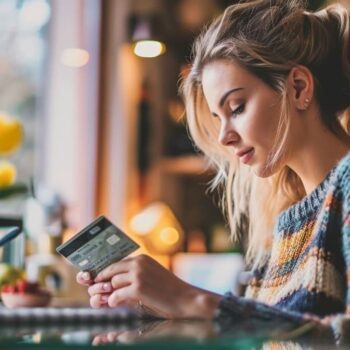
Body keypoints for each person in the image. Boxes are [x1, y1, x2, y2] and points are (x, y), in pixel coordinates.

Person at [77, 0, 350, 341]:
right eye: (217, 118)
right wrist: (163, 315)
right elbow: (268, 337)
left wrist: (189, 298)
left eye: (236, 108)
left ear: (298, 87)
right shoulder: (288, 224)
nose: (224, 136)